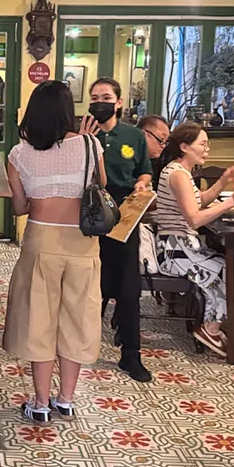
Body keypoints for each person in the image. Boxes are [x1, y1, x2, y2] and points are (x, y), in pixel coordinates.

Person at [4, 81, 105, 423]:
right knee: (77, 320)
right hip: (83, 243)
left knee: (39, 322)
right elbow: (100, 190)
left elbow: (18, 208)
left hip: (41, 243)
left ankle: (41, 402)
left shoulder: (19, 154)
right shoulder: (91, 146)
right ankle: (66, 399)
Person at [155, 123, 234, 356]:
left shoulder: (181, 171)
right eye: (203, 144)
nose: (207, 149)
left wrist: (223, 180)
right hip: (176, 250)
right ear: (185, 147)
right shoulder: (178, 175)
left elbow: (198, 202)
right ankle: (209, 328)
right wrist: (231, 201)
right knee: (230, 272)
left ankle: (212, 323)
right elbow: (195, 219)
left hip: (180, 246)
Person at [80, 78, 153, 382]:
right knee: (91, 286)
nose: (100, 102)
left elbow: (146, 170)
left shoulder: (134, 136)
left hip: (125, 215)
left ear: (119, 102)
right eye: (95, 97)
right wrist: (82, 141)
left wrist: (142, 182)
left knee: (127, 288)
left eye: (106, 97)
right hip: (92, 213)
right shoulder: (83, 133)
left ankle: (131, 355)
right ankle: (82, 348)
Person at [138, 114, 171, 188]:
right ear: (143, 134)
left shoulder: (162, 160)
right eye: (161, 139)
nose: (163, 145)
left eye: (165, 142)